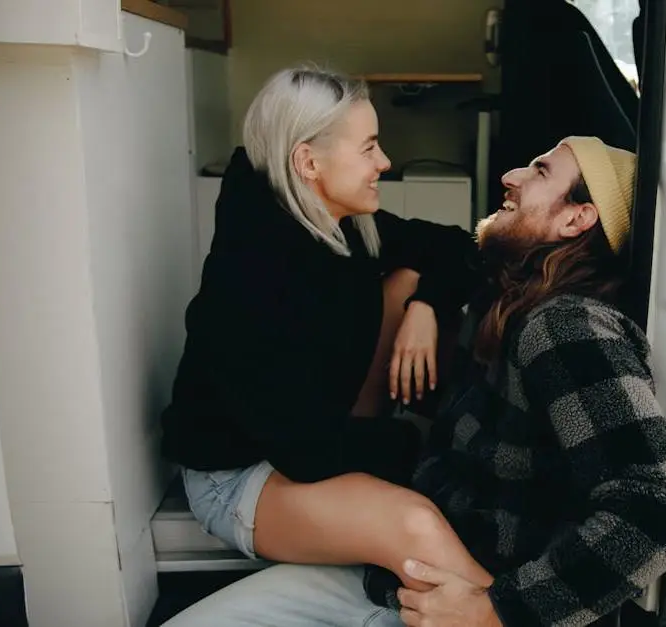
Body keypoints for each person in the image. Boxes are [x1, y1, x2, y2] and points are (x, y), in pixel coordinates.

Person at [161, 136, 666, 627]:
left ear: (576, 219)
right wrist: (424, 303)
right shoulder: (513, 299)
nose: (511, 176)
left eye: (539, 172)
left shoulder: (565, 327)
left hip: (449, 594)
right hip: (393, 568)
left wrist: (498, 611)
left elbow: (660, 509)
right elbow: (438, 254)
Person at [159, 66, 495, 591]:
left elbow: (456, 246)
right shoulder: (252, 280)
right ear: (307, 161)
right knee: (417, 524)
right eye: (369, 148)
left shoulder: (335, 219)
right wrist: (424, 446)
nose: (384, 163)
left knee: (410, 276)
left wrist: (426, 308)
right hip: (243, 475)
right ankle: (500, 613)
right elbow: (307, 455)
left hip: (313, 424)